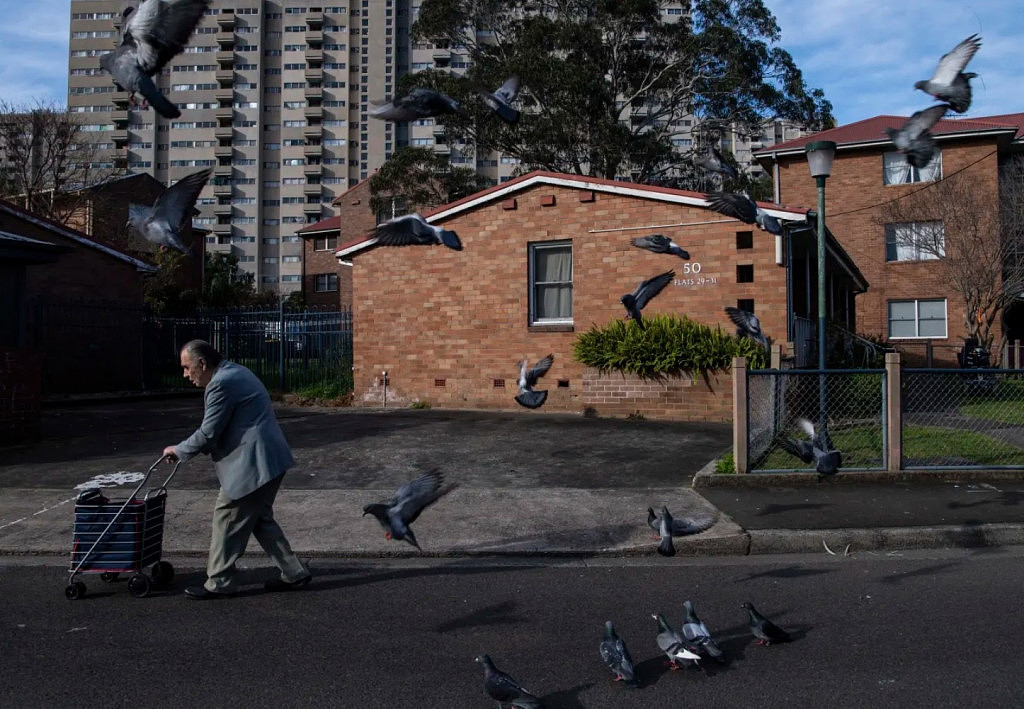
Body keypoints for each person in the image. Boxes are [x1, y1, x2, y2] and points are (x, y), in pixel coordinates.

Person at [163, 339, 311, 599]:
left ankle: (220, 581)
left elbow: (209, 432)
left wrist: (179, 450)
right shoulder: (235, 371)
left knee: (227, 516)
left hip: (253, 464)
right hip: (269, 459)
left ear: (202, 363)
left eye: (187, 368)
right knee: (259, 518)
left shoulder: (221, 383)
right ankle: (294, 572)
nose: (186, 375)